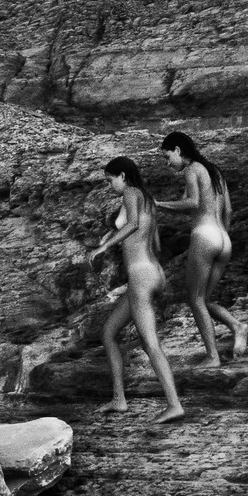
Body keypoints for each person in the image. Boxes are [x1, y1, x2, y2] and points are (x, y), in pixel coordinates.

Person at [91, 156, 185, 425]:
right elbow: (155, 242)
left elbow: (132, 224)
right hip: (152, 272)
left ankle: (174, 405)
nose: (110, 185)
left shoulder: (131, 192)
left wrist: (105, 246)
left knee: (150, 343)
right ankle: (119, 399)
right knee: (108, 333)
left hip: (142, 275)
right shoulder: (148, 199)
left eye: (110, 180)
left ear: (122, 176)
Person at [157, 130, 248, 365]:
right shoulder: (215, 171)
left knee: (195, 299)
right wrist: (221, 235)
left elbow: (193, 203)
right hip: (223, 239)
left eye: (167, 157)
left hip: (205, 237)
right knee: (204, 299)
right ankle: (237, 326)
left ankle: (212, 357)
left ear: (178, 150)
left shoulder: (191, 169)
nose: (168, 164)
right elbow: (228, 210)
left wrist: (157, 204)